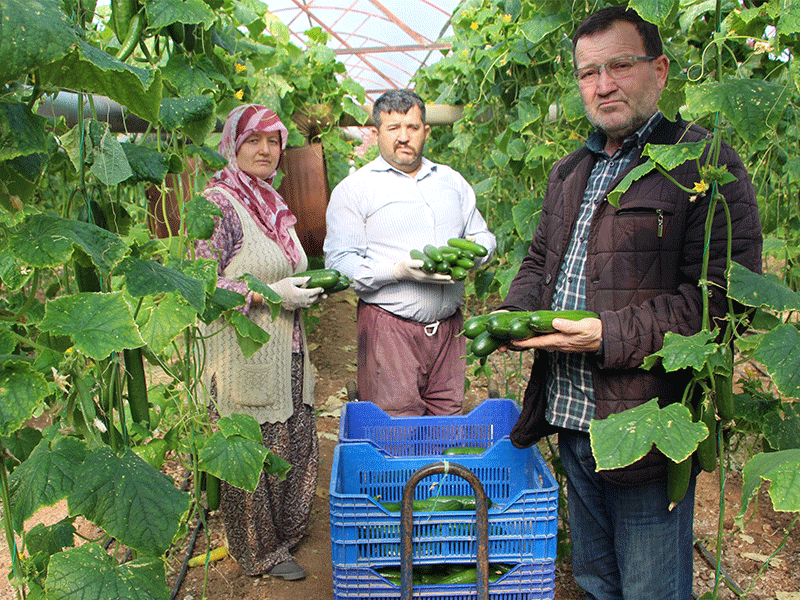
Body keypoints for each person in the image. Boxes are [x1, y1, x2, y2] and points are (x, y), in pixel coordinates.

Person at [497, 8, 762, 599]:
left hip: (644, 422)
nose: (603, 85)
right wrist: (512, 317)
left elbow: (722, 303)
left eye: (619, 65)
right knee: (595, 579)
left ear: (659, 71)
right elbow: (541, 263)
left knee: (650, 589)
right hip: (570, 415)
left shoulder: (705, 163)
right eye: (589, 72)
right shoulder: (571, 171)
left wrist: (604, 334)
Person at [195, 104, 322, 581]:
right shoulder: (218, 203)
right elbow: (202, 284)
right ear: (233, 144)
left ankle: (285, 537)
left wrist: (299, 292)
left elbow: (282, 269)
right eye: (254, 140)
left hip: (286, 346)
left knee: (293, 439)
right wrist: (269, 292)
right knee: (252, 451)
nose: (266, 150)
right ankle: (258, 551)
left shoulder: (271, 202)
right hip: (240, 353)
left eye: (274, 141)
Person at [324, 89, 496, 416]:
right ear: (376, 134)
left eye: (413, 128)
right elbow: (340, 264)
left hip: (449, 329)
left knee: (448, 418)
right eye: (393, 128)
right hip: (389, 328)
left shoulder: (451, 181)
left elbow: (481, 234)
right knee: (397, 424)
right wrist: (398, 270)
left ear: (426, 132)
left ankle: (440, 469)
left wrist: (477, 253)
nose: (404, 137)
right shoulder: (355, 189)